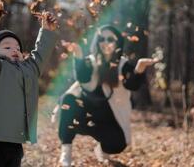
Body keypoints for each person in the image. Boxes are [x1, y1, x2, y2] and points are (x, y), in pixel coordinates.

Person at [57, 25, 157, 166]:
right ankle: (66, 153)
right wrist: (78, 55)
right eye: (101, 39)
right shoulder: (91, 61)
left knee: (118, 145)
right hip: (86, 115)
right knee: (68, 100)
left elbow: (131, 85)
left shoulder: (123, 64)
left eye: (110, 39)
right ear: (97, 42)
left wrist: (139, 68)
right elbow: (82, 78)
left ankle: (102, 149)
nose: (105, 42)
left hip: (109, 119)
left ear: (117, 43)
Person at [0, 6, 58, 167]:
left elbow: (40, 54)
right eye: (7, 47)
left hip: (15, 141)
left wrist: (46, 31)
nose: (14, 50)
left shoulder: (28, 70)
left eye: (17, 48)